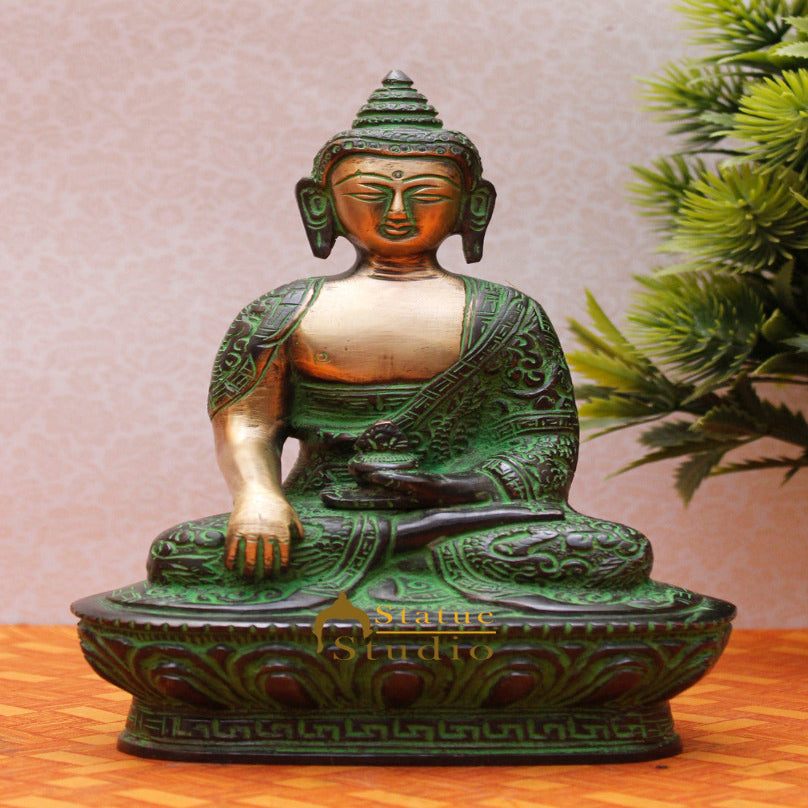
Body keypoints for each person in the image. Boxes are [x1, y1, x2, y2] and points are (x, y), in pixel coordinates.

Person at [145, 71, 654, 613]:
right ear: (318, 204)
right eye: (370, 193)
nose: (396, 213)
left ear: (474, 206)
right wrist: (258, 498)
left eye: (426, 194)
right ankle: (409, 552)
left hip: (469, 517)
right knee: (182, 553)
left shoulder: (509, 315)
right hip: (322, 512)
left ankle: (404, 550)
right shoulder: (279, 313)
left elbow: (545, 448)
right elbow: (248, 425)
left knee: (613, 551)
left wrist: (447, 489)